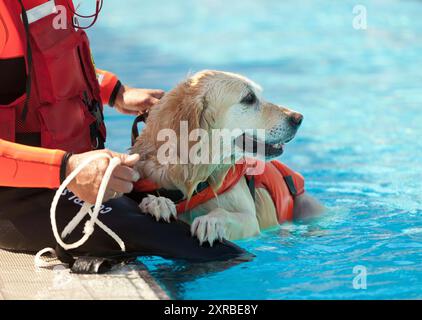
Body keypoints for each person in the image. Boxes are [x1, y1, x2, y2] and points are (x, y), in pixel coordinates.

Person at [0, 0, 246, 264]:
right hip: (20, 198)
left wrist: (116, 92)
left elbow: (47, 66)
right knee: (215, 252)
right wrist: (67, 168)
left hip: (69, 175)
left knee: (180, 201)